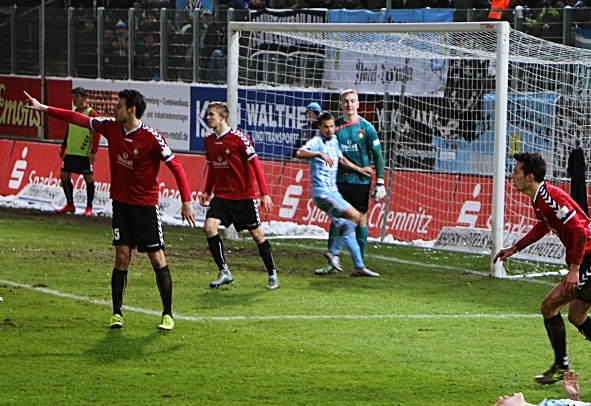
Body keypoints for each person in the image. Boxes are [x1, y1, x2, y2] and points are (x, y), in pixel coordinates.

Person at [24, 89, 197, 331]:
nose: (115, 109)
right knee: (121, 257)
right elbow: (79, 119)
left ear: (132, 110)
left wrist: (186, 201)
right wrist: (44, 108)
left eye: (120, 106)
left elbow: (177, 167)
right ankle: (117, 313)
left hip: (146, 207)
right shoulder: (111, 128)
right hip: (121, 205)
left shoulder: (151, 137)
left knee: (156, 258)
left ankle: (167, 313)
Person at [494, 152, 591, 385]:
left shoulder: (551, 197)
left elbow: (579, 231)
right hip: (590, 258)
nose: (512, 176)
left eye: (516, 171)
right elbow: (543, 226)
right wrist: (515, 248)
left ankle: (566, 363)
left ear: (529, 177)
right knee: (576, 316)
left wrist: (574, 269)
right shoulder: (539, 199)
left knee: (549, 307)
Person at [200, 102, 279, 291]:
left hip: (243, 197)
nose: (208, 118)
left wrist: (264, 193)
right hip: (221, 197)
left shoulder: (239, 139)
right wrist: (207, 191)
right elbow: (212, 167)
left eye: (211, 115)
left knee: (257, 235)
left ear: (222, 117)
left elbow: (256, 164)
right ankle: (224, 271)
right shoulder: (209, 142)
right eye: (207, 115)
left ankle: (272, 274)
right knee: (209, 228)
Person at [296, 112, 380, 277]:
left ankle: (359, 266)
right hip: (323, 192)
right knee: (355, 216)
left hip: (333, 191)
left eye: (332, 126)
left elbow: (341, 160)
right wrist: (319, 154)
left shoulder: (334, 140)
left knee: (346, 226)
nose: (329, 129)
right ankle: (333, 252)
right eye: (325, 126)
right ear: (319, 127)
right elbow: (299, 153)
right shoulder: (316, 141)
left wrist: (359, 169)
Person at [315, 90, 386, 276]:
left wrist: (380, 182)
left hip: (360, 182)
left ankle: (359, 265)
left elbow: (378, 155)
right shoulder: (333, 127)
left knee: (361, 219)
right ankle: (331, 264)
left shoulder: (367, 128)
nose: (349, 104)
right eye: (346, 101)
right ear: (341, 104)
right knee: (336, 219)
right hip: (338, 180)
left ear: (358, 104)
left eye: (352, 101)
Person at [56, 87, 101, 216]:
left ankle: (89, 207)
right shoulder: (72, 112)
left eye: (76, 96)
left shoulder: (91, 113)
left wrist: (94, 151)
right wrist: (63, 146)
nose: (74, 99)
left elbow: (97, 132)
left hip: (84, 153)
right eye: (73, 97)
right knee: (64, 176)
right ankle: (70, 204)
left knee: (88, 178)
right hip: (71, 151)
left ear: (83, 97)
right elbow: (68, 130)